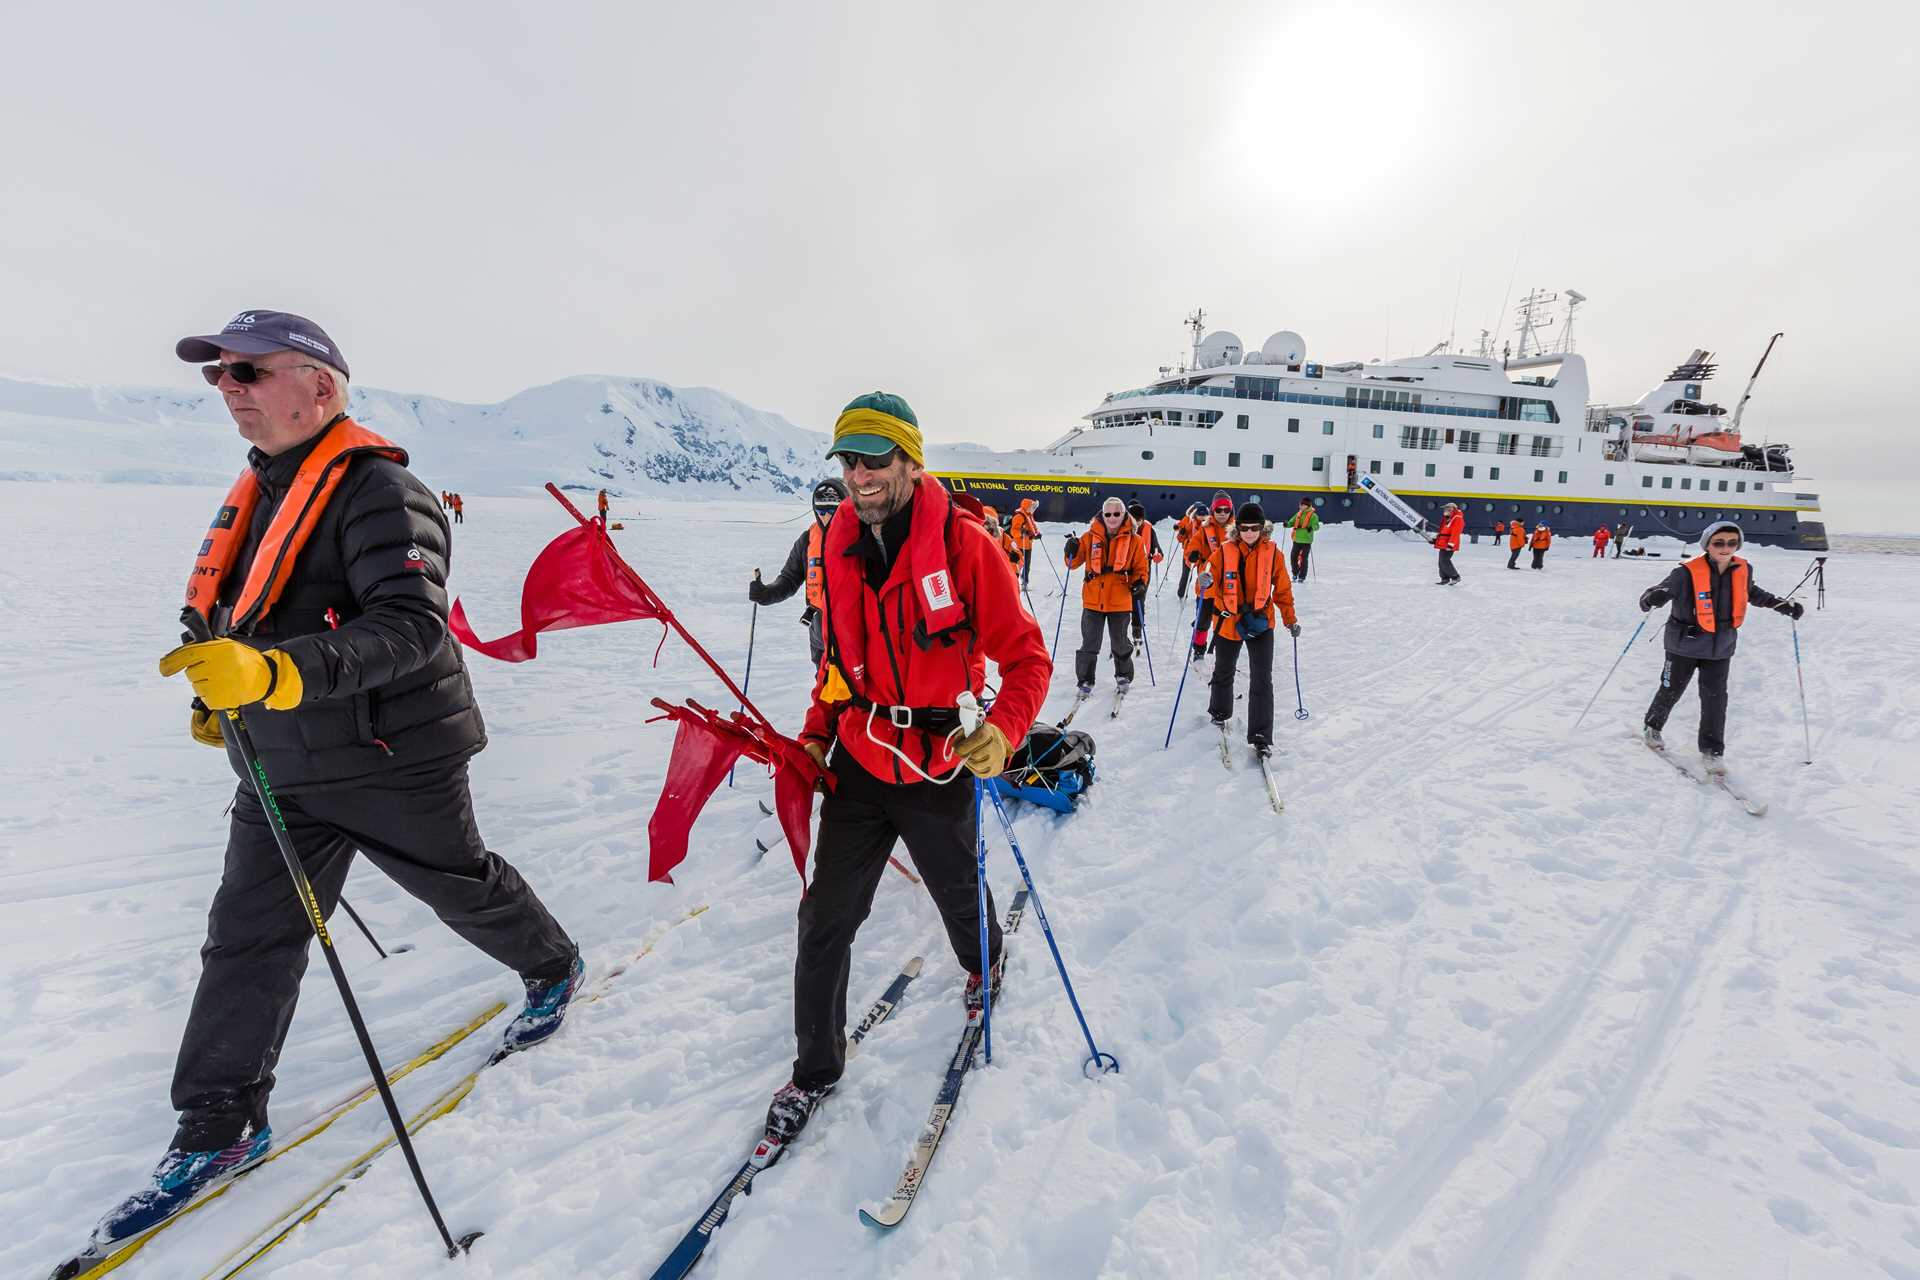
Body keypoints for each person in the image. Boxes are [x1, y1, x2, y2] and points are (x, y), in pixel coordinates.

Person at [92, 311, 581, 1250]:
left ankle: (551, 965)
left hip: (395, 758)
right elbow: (246, 615)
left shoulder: (381, 490)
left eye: (247, 370)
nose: (228, 387)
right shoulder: (262, 491)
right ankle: (218, 1124)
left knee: (458, 884)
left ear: (321, 387)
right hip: (282, 765)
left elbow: (411, 627)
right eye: (217, 376)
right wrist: (224, 697)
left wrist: (273, 676)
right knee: (246, 939)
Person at [768, 391, 1050, 1146]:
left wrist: (1004, 730)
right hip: (862, 759)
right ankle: (814, 1071)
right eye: (849, 461)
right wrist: (817, 734)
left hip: (936, 764)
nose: (860, 475)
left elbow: (1026, 657)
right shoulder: (834, 544)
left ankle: (982, 963)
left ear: (909, 460)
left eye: (874, 459)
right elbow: (837, 664)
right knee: (824, 919)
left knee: (958, 894)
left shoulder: (964, 546)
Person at [1638, 520, 1801, 773]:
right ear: (1707, 545)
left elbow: (1753, 593)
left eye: (1732, 543)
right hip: (1684, 645)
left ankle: (1712, 751)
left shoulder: (1742, 570)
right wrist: (1652, 598)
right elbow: (1652, 594)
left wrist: (1781, 605)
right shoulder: (1685, 573)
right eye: (1719, 543)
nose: (1726, 548)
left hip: (1720, 648)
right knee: (1671, 689)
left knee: (1715, 700)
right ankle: (1652, 727)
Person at [1196, 501, 1300, 755]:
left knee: (1262, 679)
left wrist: (1290, 620)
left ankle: (1261, 735)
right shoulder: (1223, 552)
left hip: (1261, 622)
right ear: (1238, 528)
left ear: (1262, 528)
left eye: (1255, 528)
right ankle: (1219, 712)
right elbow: (1206, 579)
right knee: (1223, 670)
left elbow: (1283, 590)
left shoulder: (1274, 554)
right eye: (1244, 528)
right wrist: (1204, 581)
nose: (1249, 533)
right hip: (1229, 620)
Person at [748, 478, 849, 667]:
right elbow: (789, 579)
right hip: (820, 637)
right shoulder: (808, 540)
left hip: (854, 638)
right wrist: (767, 593)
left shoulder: (863, 536)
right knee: (823, 694)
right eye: (820, 511)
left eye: (832, 510)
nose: (825, 517)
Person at [1064, 497, 1151, 696]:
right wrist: (1070, 550)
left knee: (1120, 642)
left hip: (1120, 600)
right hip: (1093, 599)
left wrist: (1139, 583)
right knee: (1090, 642)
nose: (1112, 518)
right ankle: (1085, 679)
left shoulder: (1135, 540)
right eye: (1108, 514)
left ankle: (1123, 675)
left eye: (1117, 514)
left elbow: (1141, 568)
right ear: (1103, 515)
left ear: (1123, 515)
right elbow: (1073, 563)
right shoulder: (1089, 537)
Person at [1185, 491, 1237, 662]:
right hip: (1207, 585)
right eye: (1218, 510)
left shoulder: (1238, 531)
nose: (1222, 513)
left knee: (1227, 621)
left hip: (1229, 585)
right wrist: (1191, 555)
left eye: (1226, 510)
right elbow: (1192, 547)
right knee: (1203, 620)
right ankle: (1199, 649)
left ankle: (1225, 653)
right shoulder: (1204, 530)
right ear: (1212, 510)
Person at [1126, 500, 1163, 642]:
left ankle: (1137, 629)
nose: (1137, 523)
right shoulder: (1122, 527)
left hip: (1143, 569)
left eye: (1139, 520)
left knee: (1138, 599)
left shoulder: (1149, 529)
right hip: (1125, 569)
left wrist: (1158, 555)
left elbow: (1158, 550)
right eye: (1134, 519)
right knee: (1123, 600)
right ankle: (1120, 630)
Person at [1007, 497, 1040, 588]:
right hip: (1019, 545)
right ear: (1027, 506)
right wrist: (1022, 532)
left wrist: (1036, 534)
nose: (1033, 509)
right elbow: (1013, 531)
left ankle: (1024, 583)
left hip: (1028, 545)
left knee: (1027, 566)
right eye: (1032, 507)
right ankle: (1011, 581)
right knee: (1017, 565)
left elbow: (1032, 527)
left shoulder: (1029, 515)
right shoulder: (1019, 516)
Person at [1173, 503, 1204, 598]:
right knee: (1186, 575)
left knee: (1202, 575)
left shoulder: (1207, 524)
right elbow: (1180, 537)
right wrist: (1182, 532)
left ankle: (1203, 595)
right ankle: (1181, 593)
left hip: (1202, 554)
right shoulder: (1189, 521)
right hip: (1188, 553)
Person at [1287, 498, 1320, 581]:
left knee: (1303, 559)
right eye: (1300, 504)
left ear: (1307, 506)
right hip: (1296, 539)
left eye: (1302, 505)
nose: (1300, 506)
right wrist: (1286, 524)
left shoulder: (1313, 516)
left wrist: (1311, 528)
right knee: (1293, 557)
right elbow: (1291, 522)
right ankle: (1295, 573)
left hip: (1306, 541)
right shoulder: (1298, 514)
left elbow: (1316, 526)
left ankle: (1302, 576)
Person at [1432, 501, 1464, 584]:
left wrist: (1451, 544)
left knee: (1444, 560)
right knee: (1441, 561)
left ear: (1452, 509)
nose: (1445, 510)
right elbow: (1443, 531)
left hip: (1449, 544)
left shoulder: (1457, 518)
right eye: (1445, 508)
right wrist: (1435, 539)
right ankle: (1445, 579)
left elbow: (1456, 532)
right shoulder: (1447, 518)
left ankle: (1455, 576)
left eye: (1447, 508)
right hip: (1443, 543)